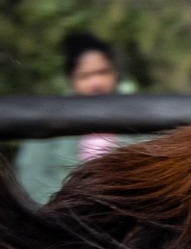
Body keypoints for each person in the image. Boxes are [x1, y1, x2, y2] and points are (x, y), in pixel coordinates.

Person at [12, 31, 128, 205]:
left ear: (115, 72)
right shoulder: (50, 118)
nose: (96, 83)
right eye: (85, 76)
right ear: (71, 79)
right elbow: (31, 178)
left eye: (103, 72)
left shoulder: (142, 115)